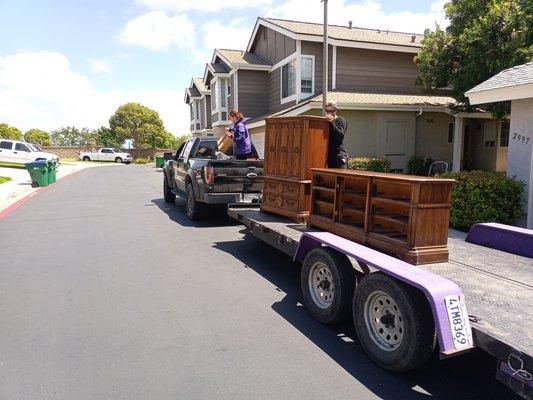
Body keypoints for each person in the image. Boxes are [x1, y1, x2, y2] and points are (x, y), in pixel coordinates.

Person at [325, 100, 348, 169]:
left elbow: (340, 136)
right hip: (329, 156)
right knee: (331, 178)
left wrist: (332, 122)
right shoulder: (325, 122)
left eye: (332, 111)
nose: (330, 113)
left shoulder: (341, 120)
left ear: (336, 110)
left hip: (339, 155)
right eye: (327, 111)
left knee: (341, 177)